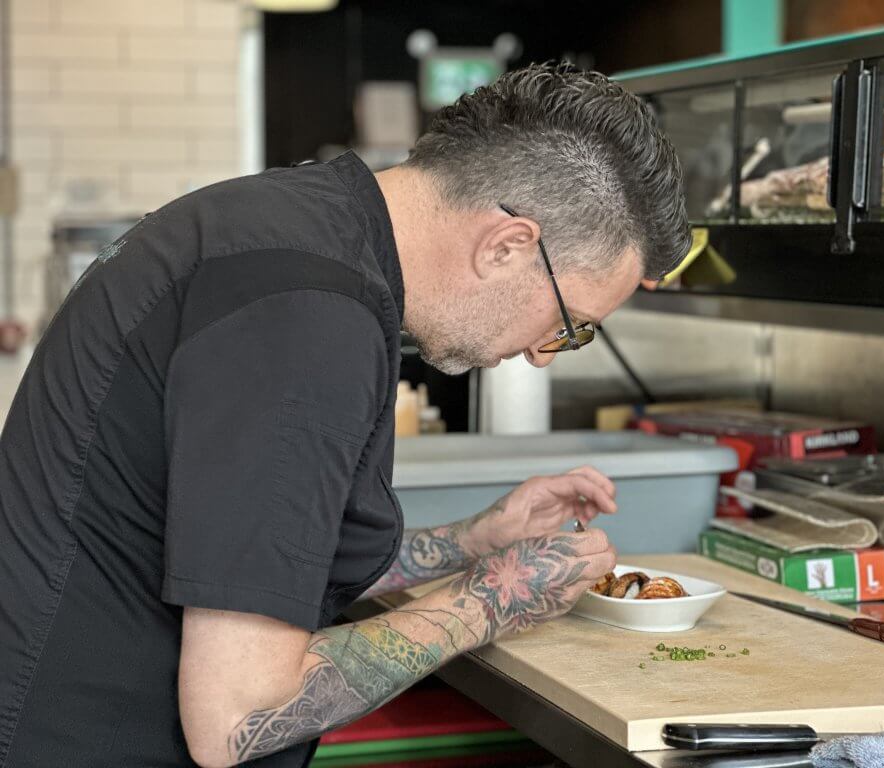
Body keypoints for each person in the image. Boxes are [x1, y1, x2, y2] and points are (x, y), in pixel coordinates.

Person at [0, 62, 689, 767]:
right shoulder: (308, 317)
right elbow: (238, 715)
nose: (546, 355)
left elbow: (251, 558)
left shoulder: (301, 228)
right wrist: (492, 600)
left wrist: (475, 541)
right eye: (568, 323)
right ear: (507, 245)